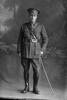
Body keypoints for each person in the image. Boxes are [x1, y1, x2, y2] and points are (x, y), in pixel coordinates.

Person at [17, 8, 48, 94]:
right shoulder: (24, 26)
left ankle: (35, 88)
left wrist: (42, 50)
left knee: (37, 71)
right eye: (31, 15)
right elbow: (19, 39)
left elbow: (45, 39)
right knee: (26, 70)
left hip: (36, 52)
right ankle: (26, 87)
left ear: (37, 16)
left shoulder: (41, 26)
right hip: (25, 51)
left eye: (34, 16)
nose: (32, 17)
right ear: (28, 16)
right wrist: (19, 50)